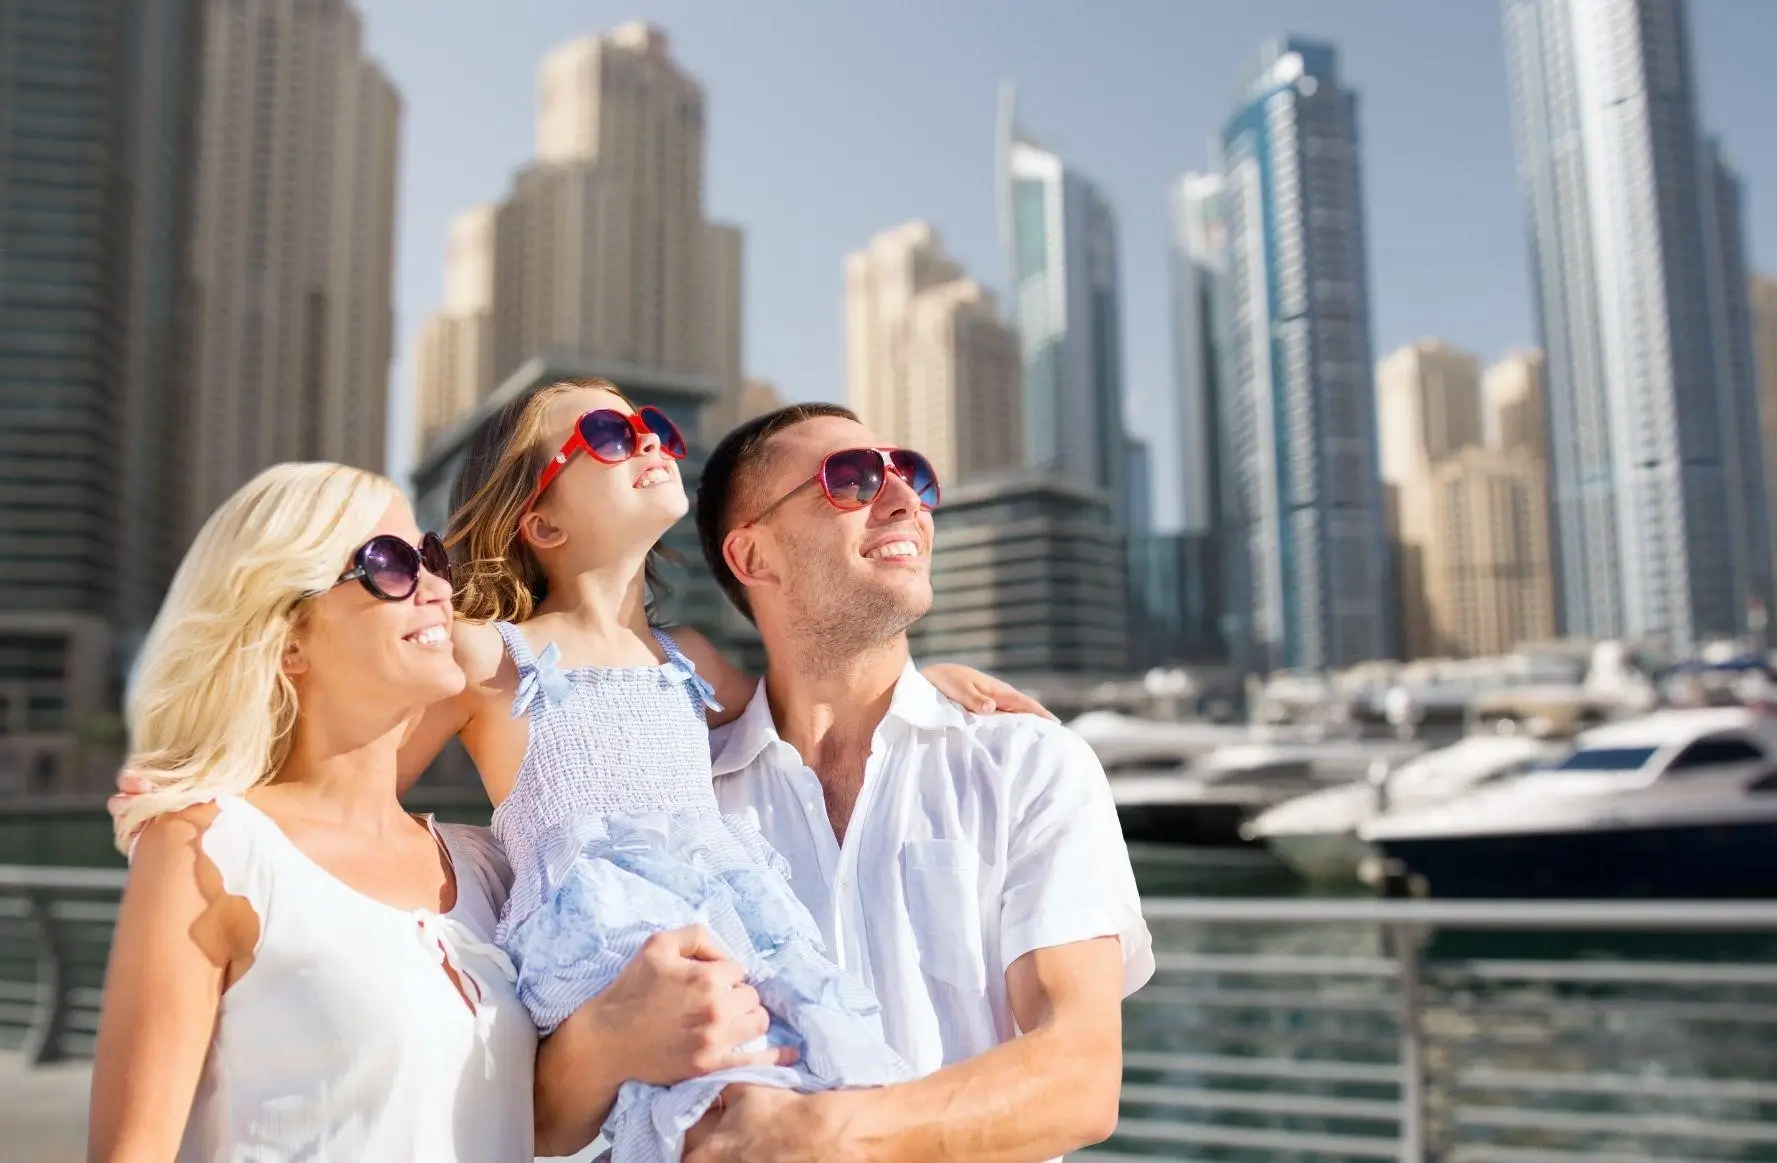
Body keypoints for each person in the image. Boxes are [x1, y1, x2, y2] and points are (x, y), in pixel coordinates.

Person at [399, 378, 1034, 1160]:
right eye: (608, 432)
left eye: (652, 426)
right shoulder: (491, 653)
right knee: (707, 1111)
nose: (649, 441)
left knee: (807, 1079)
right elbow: (361, 781)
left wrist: (923, 683)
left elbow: (811, 705)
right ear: (541, 521)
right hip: (605, 941)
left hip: (732, 924)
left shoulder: (687, 656)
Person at [535, 403, 1153, 1162]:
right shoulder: (674, 802)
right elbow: (542, 1119)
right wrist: (603, 1039)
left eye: (912, 475)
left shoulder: (1028, 764)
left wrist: (822, 1135)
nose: (905, 500)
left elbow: (1080, 1074)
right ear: (754, 555)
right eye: (851, 480)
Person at [90, 463, 537, 1161]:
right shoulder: (211, 847)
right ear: (289, 638)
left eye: (432, 555)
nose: (438, 586)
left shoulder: (489, 866)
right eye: (389, 563)